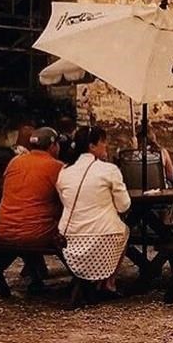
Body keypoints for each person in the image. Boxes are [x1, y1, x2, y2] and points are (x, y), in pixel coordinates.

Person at [56, 126, 131, 297]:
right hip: (104, 238)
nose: (106, 146)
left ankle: (91, 281)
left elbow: (64, 200)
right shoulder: (109, 170)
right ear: (92, 146)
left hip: (69, 240)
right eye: (103, 142)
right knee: (124, 230)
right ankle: (108, 283)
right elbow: (124, 206)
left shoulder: (64, 171)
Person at [0, 127, 64, 292]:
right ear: (53, 146)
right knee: (68, 226)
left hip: (4, 230)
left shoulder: (14, 162)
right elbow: (67, 200)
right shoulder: (56, 167)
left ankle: (36, 274)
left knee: (31, 219)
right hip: (36, 233)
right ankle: (85, 277)